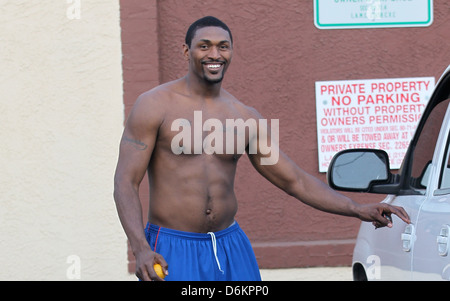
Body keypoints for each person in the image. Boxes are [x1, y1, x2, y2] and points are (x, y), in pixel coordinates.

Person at [113, 16, 410, 281]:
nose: (214, 54)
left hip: (231, 245)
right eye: (204, 46)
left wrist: (357, 209)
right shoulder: (154, 105)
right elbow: (125, 182)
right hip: (172, 246)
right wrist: (139, 248)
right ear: (186, 51)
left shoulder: (245, 116)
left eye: (223, 46)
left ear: (231, 52)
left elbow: (294, 180)